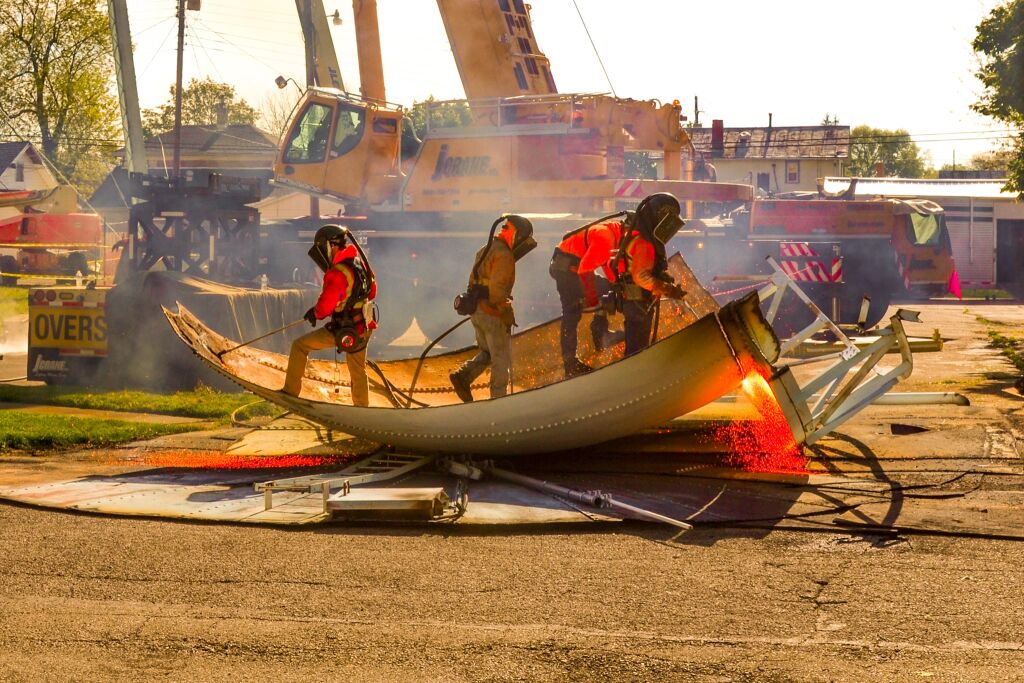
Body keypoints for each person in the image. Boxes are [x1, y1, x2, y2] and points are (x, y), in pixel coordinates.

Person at [282, 225, 377, 405]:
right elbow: (372, 291)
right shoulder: (359, 263)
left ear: (331, 246)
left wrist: (315, 313)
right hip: (364, 326)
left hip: (345, 329)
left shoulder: (338, 273)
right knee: (358, 371)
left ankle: (290, 393)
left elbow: (325, 306)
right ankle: (363, 413)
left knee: (299, 346)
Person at [450, 215, 536, 402]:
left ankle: (463, 376)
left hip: (477, 311)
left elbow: (473, 281)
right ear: (517, 234)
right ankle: (498, 401)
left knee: (488, 352)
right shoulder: (504, 255)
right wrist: (505, 311)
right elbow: (497, 291)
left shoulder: (485, 249)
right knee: (500, 359)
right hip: (491, 313)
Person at [549, 213, 628, 377]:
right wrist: (592, 298)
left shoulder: (611, 235)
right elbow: (585, 270)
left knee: (608, 288)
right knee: (571, 314)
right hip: (567, 271)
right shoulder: (605, 238)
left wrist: (617, 285)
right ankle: (571, 365)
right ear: (626, 232)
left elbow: (607, 264)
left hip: (571, 268)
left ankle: (600, 331)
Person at [611, 193, 687, 357]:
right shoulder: (644, 243)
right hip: (637, 304)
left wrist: (663, 279)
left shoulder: (642, 236)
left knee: (637, 349)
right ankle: (630, 380)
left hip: (637, 303)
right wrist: (667, 289)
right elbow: (641, 276)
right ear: (659, 217)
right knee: (636, 353)